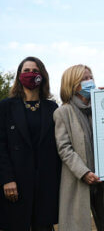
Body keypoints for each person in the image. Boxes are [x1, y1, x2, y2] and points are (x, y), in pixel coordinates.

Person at [53, 65, 104, 231]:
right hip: (79, 180)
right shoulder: (63, 112)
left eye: (91, 77)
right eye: (84, 79)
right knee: (78, 225)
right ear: (73, 85)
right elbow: (64, 148)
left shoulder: (101, 107)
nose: (90, 82)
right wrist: (84, 173)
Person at [0, 56, 61, 231]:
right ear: (19, 76)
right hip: (15, 184)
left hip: (45, 184)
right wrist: (7, 179)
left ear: (42, 75)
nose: (30, 74)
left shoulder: (52, 108)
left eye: (35, 70)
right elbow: (1, 145)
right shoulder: (6, 107)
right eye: (26, 71)